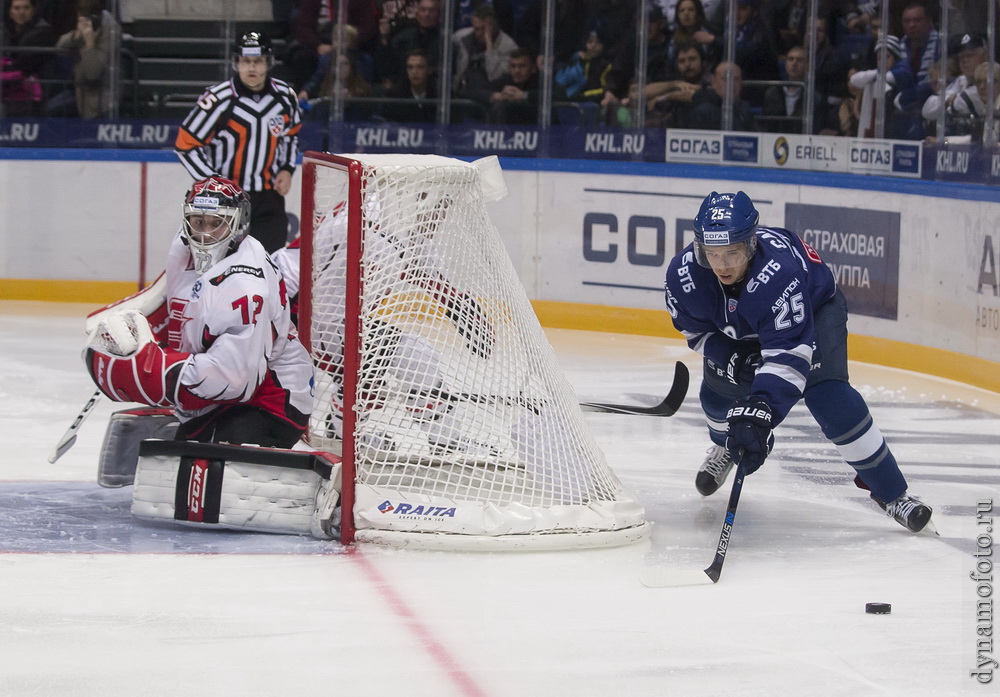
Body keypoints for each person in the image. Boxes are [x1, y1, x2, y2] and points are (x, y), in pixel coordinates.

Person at [663, 191, 932, 533]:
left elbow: (789, 354)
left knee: (830, 397)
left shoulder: (777, 273)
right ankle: (724, 446)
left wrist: (762, 411)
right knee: (718, 392)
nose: (723, 265)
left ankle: (893, 493)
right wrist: (731, 359)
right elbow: (695, 331)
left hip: (814, 313)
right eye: (713, 254)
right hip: (746, 328)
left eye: (732, 252)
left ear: (750, 244)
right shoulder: (684, 276)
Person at [84, 176, 313, 448]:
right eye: (198, 221)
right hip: (220, 397)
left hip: (270, 400)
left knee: (209, 469)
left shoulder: (246, 288)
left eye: (217, 224)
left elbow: (234, 382)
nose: (205, 233)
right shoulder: (185, 242)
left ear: (238, 225)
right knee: (181, 466)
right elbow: (170, 293)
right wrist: (130, 325)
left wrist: (155, 369)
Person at [175, 31, 302, 254]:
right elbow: (185, 145)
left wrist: (287, 168)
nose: (251, 68)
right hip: (225, 203)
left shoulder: (285, 96)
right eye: (245, 61)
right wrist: (215, 184)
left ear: (268, 62)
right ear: (236, 63)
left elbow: (291, 134)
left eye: (258, 61)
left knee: (270, 266)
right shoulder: (219, 98)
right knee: (220, 270)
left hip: (269, 200)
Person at [47, 0, 117, 118]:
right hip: (78, 88)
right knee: (49, 109)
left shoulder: (110, 30)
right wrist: (76, 36)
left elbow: (93, 73)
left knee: (55, 111)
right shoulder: (86, 24)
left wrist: (89, 44)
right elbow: (59, 47)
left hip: (99, 95)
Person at [921, 32, 987, 137]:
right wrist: (948, 100)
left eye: (970, 55)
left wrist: (950, 101)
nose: (965, 60)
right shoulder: (961, 81)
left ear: (984, 56)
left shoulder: (991, 81)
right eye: (961, 57)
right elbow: (927, 110)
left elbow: (960, 103)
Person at [891, 1, 940, 139]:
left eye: (917, 20)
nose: (912, 25)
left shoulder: (941, 46)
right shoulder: (895, 48)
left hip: (929, 112)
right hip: (901, 113)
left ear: (929, 21)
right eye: (907, 21)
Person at [453, 3, 518, 102]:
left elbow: (494, 76)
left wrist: (489, 43)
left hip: (491, 94)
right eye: (476, 28)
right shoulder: (460, 37)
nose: (479, 33)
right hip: (463, 91)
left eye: (483, 29)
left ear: (494, 26)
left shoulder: (508, 46)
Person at [1, 0, 56, 116]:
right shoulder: (7, 33)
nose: (21, 12)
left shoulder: (42, 34)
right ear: (10, 12)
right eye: (17, 8)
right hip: (12, 89)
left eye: (26, 8)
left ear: (34, 10)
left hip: (35, 94)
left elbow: (24, 68)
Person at [684, 60, 757, 131]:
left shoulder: (743, 109)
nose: (732, 84)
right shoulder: (703, 111)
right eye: (726, 79)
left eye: (736, 79)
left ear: (741, 83)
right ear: (714, 82)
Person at [379, 48, 437, 122]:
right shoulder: (394, 96)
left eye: (420, 67)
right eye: (410, 67)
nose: (414, 72)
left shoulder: (439, 94)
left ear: (429, 70)